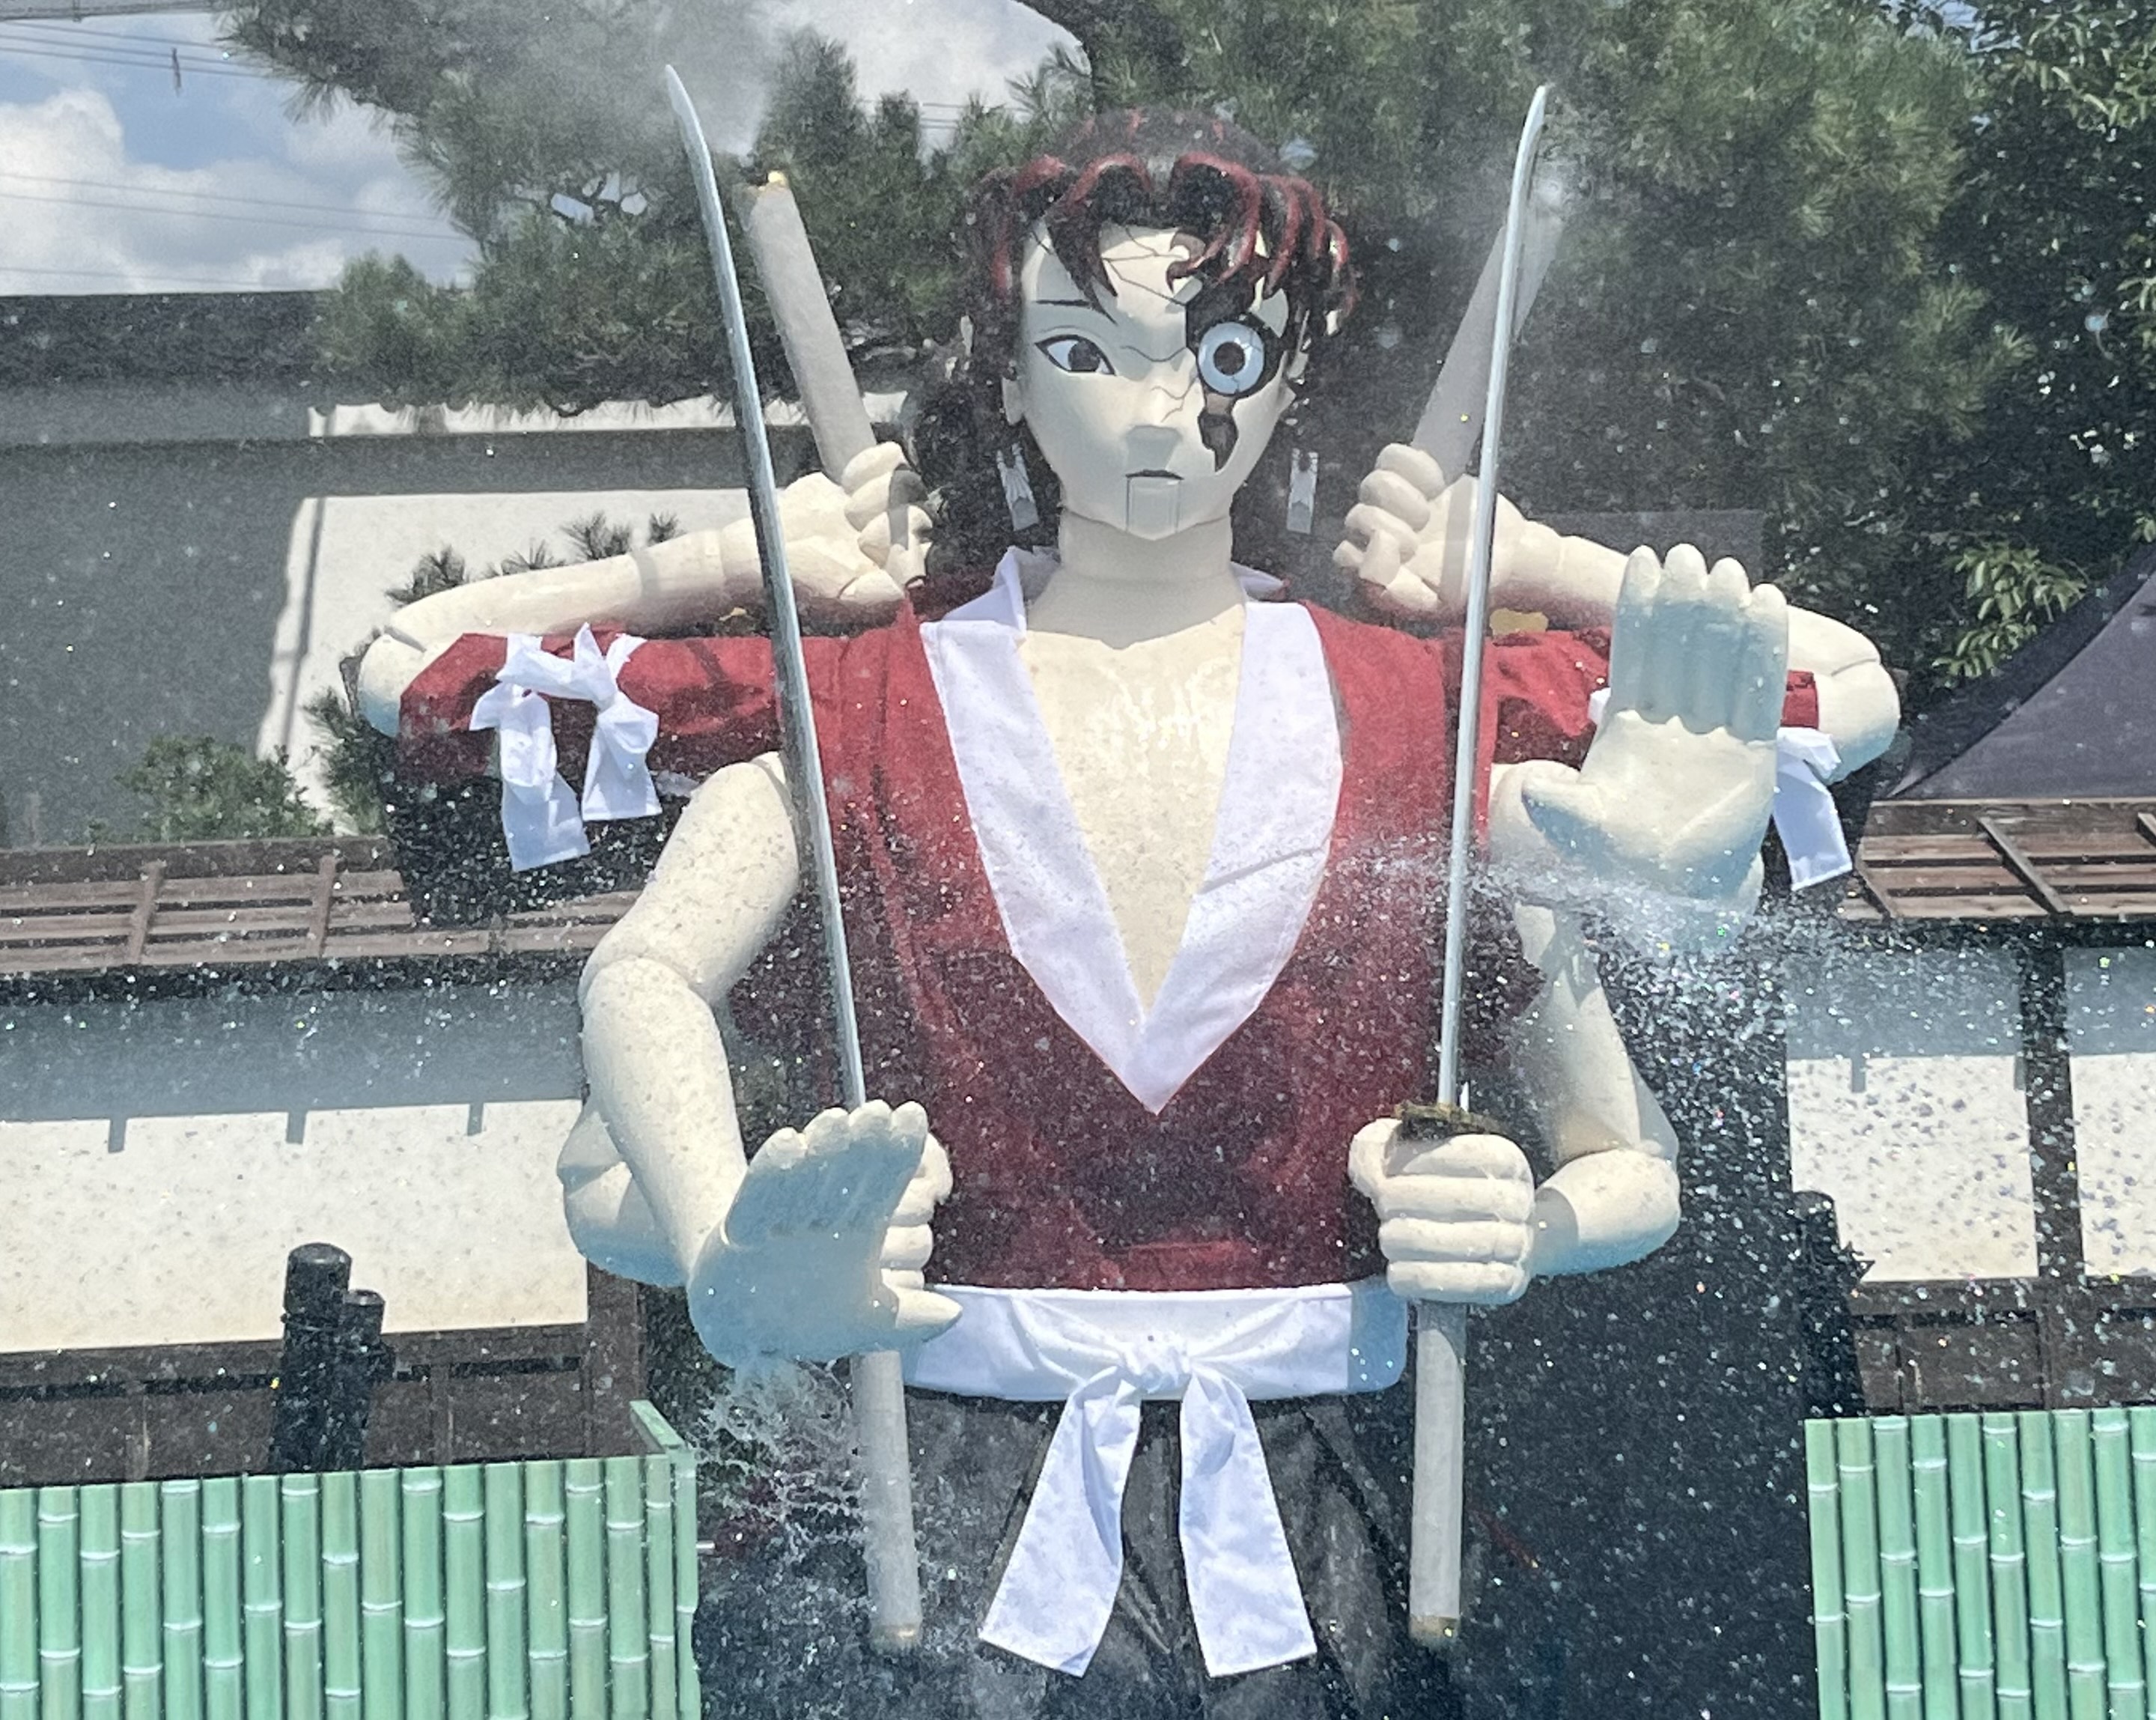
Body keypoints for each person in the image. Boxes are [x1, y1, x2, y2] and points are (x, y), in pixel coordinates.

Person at [359, 112, 1896, 1718]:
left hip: (1335, 1508)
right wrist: (725, 559)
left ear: (1288, 378)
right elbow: (419, 688)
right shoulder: (847, 712)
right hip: (937, 1498)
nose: (1160, 411)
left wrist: (1528, 560)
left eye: (1221, 353)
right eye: (1086, 351)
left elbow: (1842, 698)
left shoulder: (1427, 720)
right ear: (1009, 380)